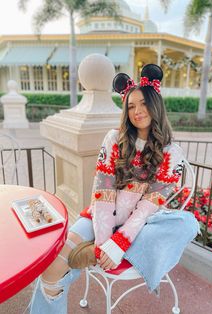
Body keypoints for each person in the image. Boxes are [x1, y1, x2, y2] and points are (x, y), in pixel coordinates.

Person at [29, 64, 198, 314]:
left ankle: (99, 253)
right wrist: (103, 242)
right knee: (51, 268)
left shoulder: (172, 154)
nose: (137, 111)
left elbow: (146, 209)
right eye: (131, 106)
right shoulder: (113, 139)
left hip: (139, 228)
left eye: (143, 104)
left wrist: (119, 242)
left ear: (155, 105)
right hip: (100, 218)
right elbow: (103, 194)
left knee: (186, 223)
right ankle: (87, 258)